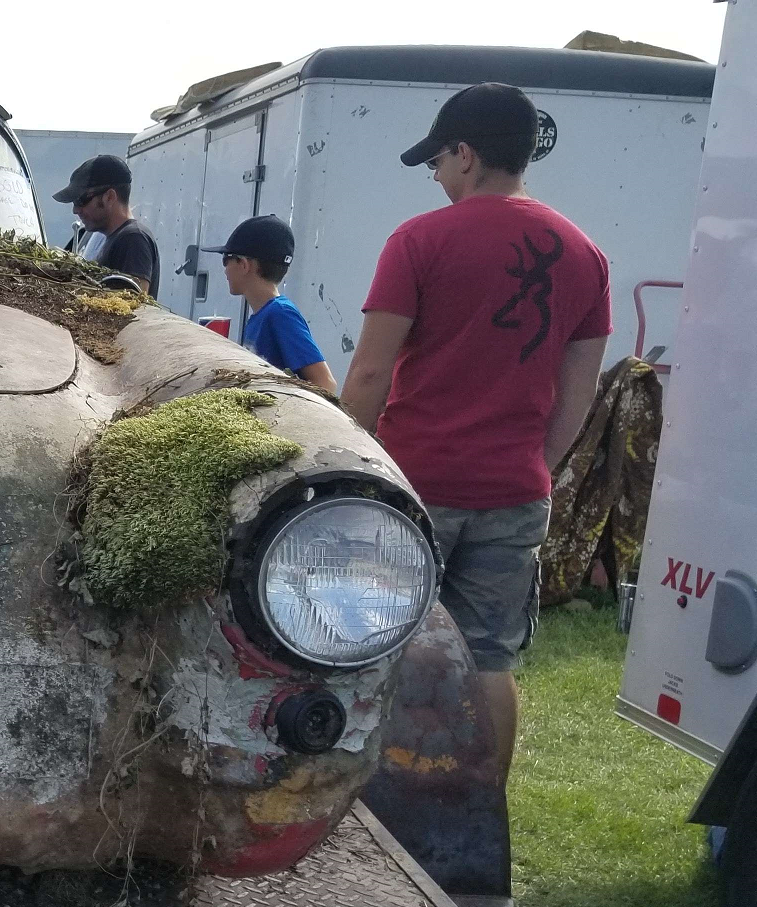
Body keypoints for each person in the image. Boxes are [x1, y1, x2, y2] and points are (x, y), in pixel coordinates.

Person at [341, 82, 610, 767]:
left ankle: (373, 805)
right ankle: (481, 809)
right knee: (488, 659)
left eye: (436, 161)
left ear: (465, 153)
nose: (434, 176)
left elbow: (370, 374)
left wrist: (347, 462)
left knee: (375, 646)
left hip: (413, 482)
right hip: (515, 490)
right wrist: (535, 468)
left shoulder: (419, 240)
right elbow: (577, 394)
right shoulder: (585, 252)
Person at [206, 214, 335, 393]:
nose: (224, 269)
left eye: (226, 259)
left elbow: (325, 382)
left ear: (243, 264)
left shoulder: (280, 313)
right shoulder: (262, 315)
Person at [51, 154, 159, 297]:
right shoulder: (115, 238)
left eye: (81, 200)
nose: (75, 210)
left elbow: (133, 306)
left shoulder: (133, 239)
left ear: (109, 197)